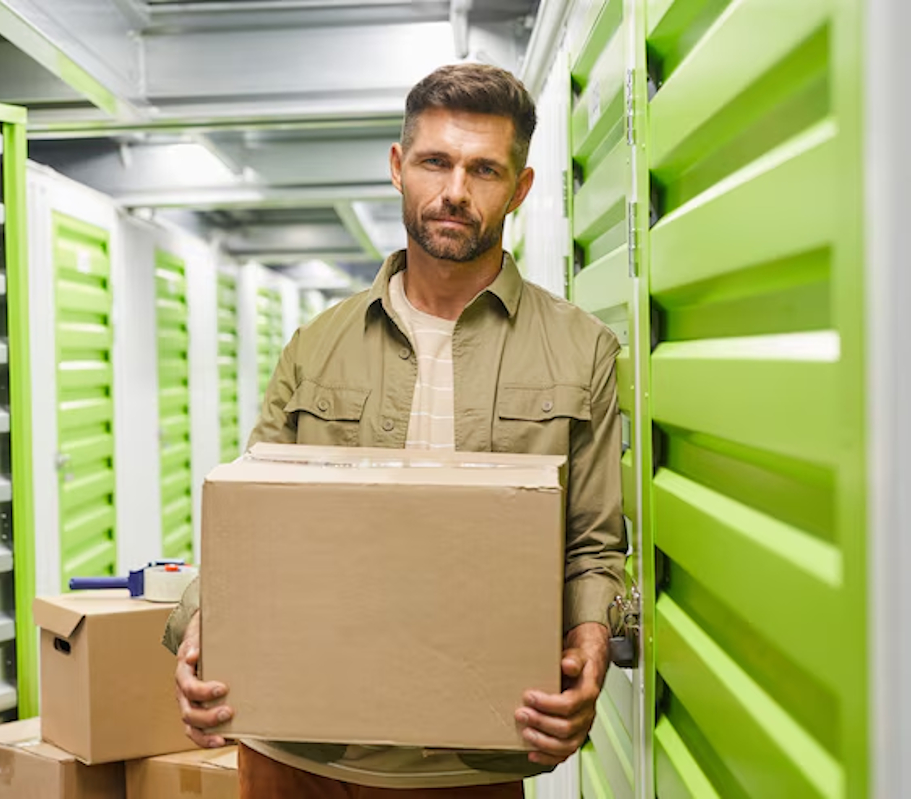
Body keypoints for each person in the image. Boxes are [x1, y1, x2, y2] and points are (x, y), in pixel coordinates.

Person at [163, 62, 627, 798]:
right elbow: (249, 528)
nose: (454, 191)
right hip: (299, 751)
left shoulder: (582, 350)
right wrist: (199, 627)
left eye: (483, 170)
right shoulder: (316, 344)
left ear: (521, 188)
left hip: (473, 757)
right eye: (435, 162)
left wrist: (590, 644)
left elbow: (593, 547)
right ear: (397, 166)